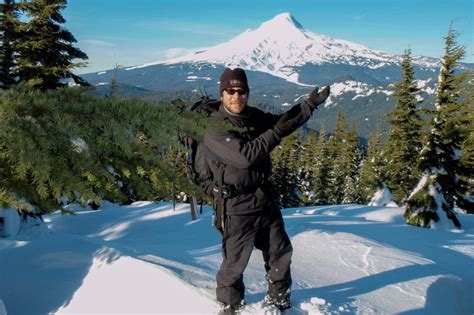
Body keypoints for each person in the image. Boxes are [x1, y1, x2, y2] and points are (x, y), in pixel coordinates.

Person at [202, 67, 330, 314]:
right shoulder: (214, 129)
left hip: (263, 198)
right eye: (231, 91)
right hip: (235, 205)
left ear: (247, 93)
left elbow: (280, 122)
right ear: (222, 94)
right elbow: (245, 157)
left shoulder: (252, 116)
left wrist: (309, 105)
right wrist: (276, 132)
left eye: (242, 91)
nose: (236, 96)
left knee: (279, 251)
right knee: (235, 263)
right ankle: (230, 306)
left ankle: (280, 301)